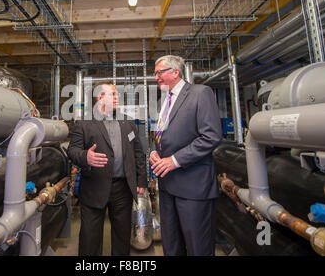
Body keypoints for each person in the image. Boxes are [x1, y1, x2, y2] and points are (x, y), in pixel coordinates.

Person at [149, 55, 222, 256]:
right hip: (167, 186)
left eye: (159, 72)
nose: (156, 78)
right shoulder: (166, 100)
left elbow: (211, 136)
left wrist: (175, 160)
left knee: (198, 246)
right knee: (172, 245)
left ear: (175, 72)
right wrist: (154, 151)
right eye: (155, 73)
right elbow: (161, 136)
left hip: (193, 187)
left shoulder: (200, 93)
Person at [67, 81, 147, 256]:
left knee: (122, 236)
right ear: (100, 98)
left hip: (123, 189)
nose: (117, 97)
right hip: (94, 187)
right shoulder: (84, 123)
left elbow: (138, 152)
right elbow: (72, 151)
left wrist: (141, 180)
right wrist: (85, 157)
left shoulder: (127, 123)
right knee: (90, 237)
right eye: (113, 94)